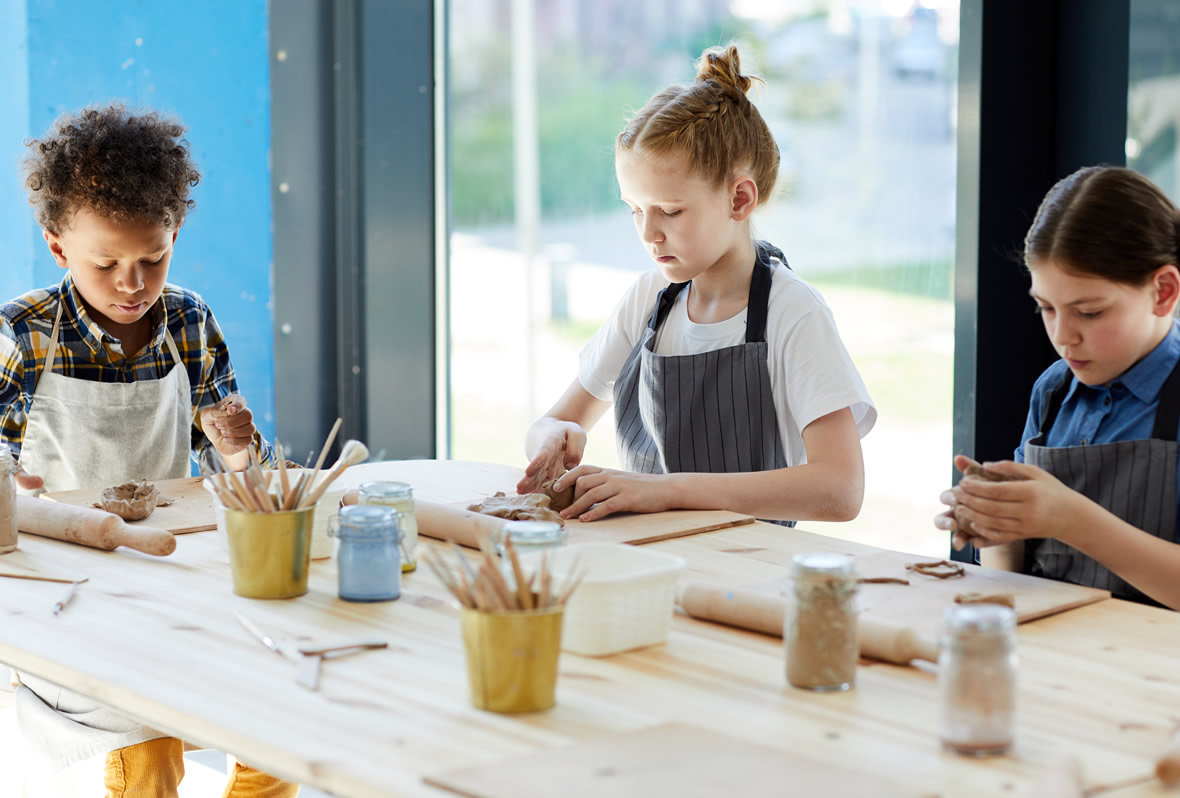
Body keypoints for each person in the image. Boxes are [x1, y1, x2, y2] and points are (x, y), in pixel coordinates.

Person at [0, 105, 296, 795]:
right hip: (70, 590)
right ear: (58, 248)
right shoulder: (23, 334)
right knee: (148, 749)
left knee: (274, 725)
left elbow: (243, 478)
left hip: (173, 570)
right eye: (107, 264)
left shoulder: (189, 321)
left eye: (153, 258)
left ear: (176, 233)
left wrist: (238, 450)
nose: (133, 283)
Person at [518, 45, 876, 525]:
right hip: (650, 565)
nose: (648, 234)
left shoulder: (794, 312)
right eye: (635, 210)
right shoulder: (648, 301)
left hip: (754, 576)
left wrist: (665, 492)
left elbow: (840, 489)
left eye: (670, 211)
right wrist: (550, 440)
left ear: (739, 198)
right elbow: (556, 419)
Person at [936, 165, 1180, 610]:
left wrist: (1070, 518)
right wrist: (996, 525)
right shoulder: (1054, 390)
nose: (1063, 337)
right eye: (1046, 308)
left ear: (1163, 291)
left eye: (1089, 313)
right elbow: (1007, 576)